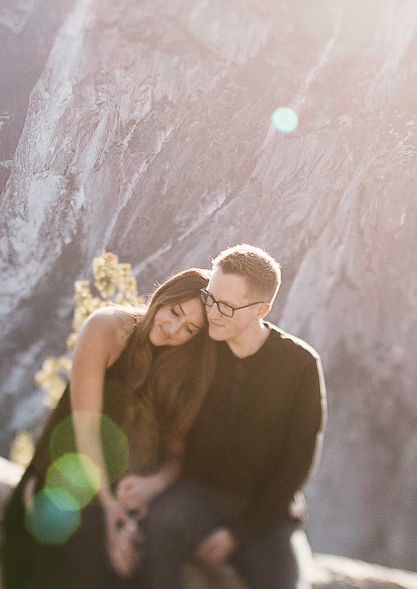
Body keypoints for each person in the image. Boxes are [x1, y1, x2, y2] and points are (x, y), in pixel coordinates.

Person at [2, 267, 216, 589]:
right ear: (163, 297)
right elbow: (84, 427)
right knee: (88, 547)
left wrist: (153, 486)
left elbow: (176, 455)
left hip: (127, 496)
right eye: (174, 312)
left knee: (139, 559)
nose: (173, 329)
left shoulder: (182, 370)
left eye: (188, 329)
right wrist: (108, 507)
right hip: (64, 479)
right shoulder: (107, 328)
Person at [137, 245, 325, 589]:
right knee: (157, 532)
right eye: (210, 298)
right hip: (197, 495)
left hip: (265, 512)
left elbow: (299, 461)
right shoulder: (200, 344)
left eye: (226, 307)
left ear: (261, 310)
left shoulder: (300, 366)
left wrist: (239, 535)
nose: (213, 313)